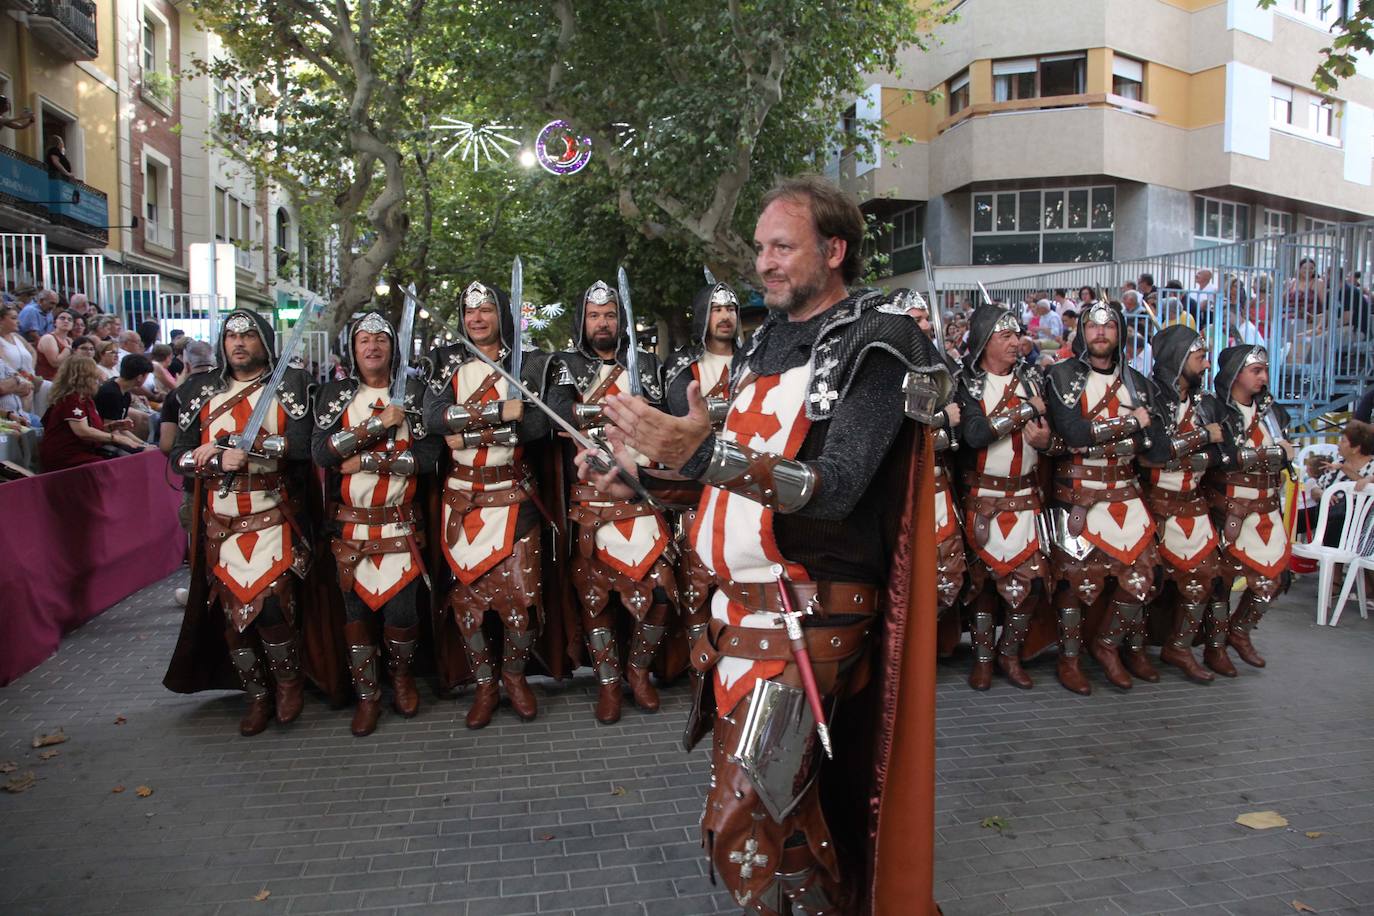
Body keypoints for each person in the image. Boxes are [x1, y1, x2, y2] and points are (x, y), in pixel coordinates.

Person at [590, 175, 948, 913]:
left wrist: (697, 454)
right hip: (739, 622)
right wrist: (650, 482)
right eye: (759, 248)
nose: (764, 263)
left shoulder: (883, 342)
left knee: (749, 818)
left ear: (835, 249)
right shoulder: (763, 346)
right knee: (780, 821)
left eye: (782, 246)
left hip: (813, 620)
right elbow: (737, 486)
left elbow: (836, 487)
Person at [166, 310, 315, 736]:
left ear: (263, 340)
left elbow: (305, 446)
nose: (239, 342)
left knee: (271, 607)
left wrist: (247, 448)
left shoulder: (292, 385)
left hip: (274, 515)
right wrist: (208, 454)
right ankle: (256, 693)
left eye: (248, 334)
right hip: (221, 522)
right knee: (232, 617)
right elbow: (178, 455)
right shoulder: (198, 390)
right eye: (231, 335)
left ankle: (288, 684)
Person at [421, 283, 554, 729]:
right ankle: (483, 685)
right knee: (467, 603)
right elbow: (432, 416)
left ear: (501, 315)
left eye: (486, 310)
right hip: (461, 499)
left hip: (515, 496)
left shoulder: (528, 362)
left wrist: (469, 426)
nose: (476, 318)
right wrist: (500, 414)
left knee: (521, 600)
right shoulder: (444, 362)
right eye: (469, 311)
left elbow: (535, 425)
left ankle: (514, 678)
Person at [547, 279, 675, 724]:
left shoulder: (644, 363)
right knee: (595, 596)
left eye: (610, 315)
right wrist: (623, 409)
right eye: (595, 315)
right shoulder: (565, 365)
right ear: (583, 321)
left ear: (621, 321)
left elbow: (665, 416)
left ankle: (638, 671)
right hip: (591, 496)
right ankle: (607, 683)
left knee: (660, 588)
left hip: (641, 492)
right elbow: (556, 414)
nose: (603, 323)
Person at [316, 312, 441, 737]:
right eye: (364, 340)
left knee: (402, 612)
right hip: (350, 530)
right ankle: (368, 695)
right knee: (355, 616)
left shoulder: (417, 393)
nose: (372, 346)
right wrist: (377, 425)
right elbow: (321, 452)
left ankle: (402, 681)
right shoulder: (334, 395)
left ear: (393, 348)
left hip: (400, 526)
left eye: (381, 340)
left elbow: (428, 459)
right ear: (353, 349)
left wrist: (364, 458)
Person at [1043, 300, 1160, 694]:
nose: (1100, 332)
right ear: (1082, 332)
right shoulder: (1061, 375)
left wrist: (1110, 432)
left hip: (1126, 492)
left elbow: (1152, 441)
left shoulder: (1138, 382)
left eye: (1109, 326)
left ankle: (1107, 645)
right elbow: (1072, 433)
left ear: (1120, 333)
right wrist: (1128, 423)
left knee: (1142, 576)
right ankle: (1069, 659)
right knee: (1075, 581)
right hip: (1077, 493)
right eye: (1093, 326)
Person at [956, 304, 1052, 690]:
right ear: (984, 342)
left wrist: (1046, 442)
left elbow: (1055, 437)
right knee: (984, 584)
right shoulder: (967, 384)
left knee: (1028, 584)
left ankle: (1009, 654)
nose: (1016, 343)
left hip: (1027, 497)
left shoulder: (1033, 380)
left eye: (1017, 335)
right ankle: (981, 660)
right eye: (1006, 336)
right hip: (983, 499)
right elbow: (975, 435)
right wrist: (1026, 410)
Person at [661, 281, 741, 673]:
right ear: (703, 316)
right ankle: (700, 666)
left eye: (731, 309)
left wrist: (715, 415)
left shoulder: (756, 361)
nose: (725, 317)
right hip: (700, 490)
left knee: (745, 580)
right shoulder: (680, 367)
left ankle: (742, 658)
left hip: (750, 488)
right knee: (695, 587)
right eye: (716, 309)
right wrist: (734, 413)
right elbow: (685, 421)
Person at [1139, 326, 1227, 682]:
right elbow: (1152, 454)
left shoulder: (1206, 404)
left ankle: (1180, 646)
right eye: (1199, 357)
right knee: (1141, 582)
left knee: (1207, 579)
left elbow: (1223, 456)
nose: (1206, 364)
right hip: (1152, 505)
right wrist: (1202, 437)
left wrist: (1186, 449)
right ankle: (1130, 650)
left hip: (1194, 504)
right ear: (1177, 358)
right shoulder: (1148, 397)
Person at [1207, 345, 1293, 671]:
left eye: (1265, 370)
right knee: (1222, 583)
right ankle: (1215, 647)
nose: (1264, 377)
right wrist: (1279, 455)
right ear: (1236, 374)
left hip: (1267, 509)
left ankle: (1239, 631)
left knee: (1275, 578)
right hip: (1230, 509)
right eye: (1256, 371)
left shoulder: (1272, 413)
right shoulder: (1215, 411)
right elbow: (1226, 458)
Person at [39, 356, 144, 471]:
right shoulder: (70, 399)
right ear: (84, 377)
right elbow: (82, 431)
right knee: (110, 467)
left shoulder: (86, 399)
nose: (97, 379)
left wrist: (114, 426)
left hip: (85, 450)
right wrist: (115, 438)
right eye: (94, 376)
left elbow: (94, 429)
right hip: (66, 454)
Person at [1302, 420, 1374, 544]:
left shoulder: (1371, 467)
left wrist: (1344, 469)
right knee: (1292, 517)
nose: (1338, 444)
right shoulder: (1339, 461)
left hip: (1355, 523)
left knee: (1338, 521)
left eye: (1343, 441)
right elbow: (1315, 489)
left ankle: (1331, 560)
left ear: (1356, 448)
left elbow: (1367, 489)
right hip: (1326, 513)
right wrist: (1322, 493)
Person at [94, 353, 153, 433]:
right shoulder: (111, 394)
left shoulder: (125, 392)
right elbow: (111, 430)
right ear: (139, 377)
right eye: (147, 375)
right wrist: (137, 445)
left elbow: (121, 428)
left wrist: (142, 444)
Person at [35, 309, 76, 381]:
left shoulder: (69, 340)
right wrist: (69, 348)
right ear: (55, 323)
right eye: (62, 318)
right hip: (48, 380)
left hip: (64, 381)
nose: (66, 321)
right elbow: (55, 363)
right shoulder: (48, 338)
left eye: (70, 320)